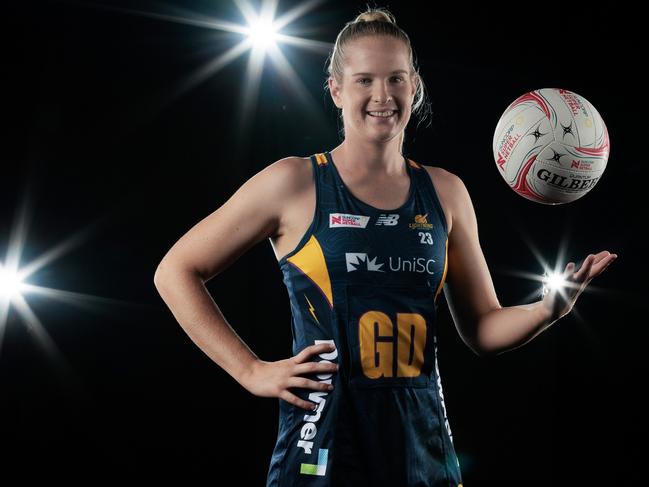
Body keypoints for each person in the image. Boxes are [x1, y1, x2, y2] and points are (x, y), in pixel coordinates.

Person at [153, 7, 618, 487]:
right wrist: (251, 371)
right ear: (336, 89)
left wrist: (548, 310)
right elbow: (175, 271)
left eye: (396, 78)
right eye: (364, 80)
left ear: (414, 86)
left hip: (421, 450)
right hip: (322, 447)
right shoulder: (294, 181)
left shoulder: (445, 192)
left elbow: (482, 328)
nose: (382, 95)